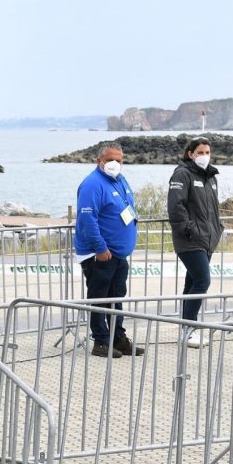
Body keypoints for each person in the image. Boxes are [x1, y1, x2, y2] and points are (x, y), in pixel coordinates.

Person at [73, 142, 144, 358]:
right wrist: (100, 247)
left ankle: (118, 337)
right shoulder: (92, 184)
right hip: (101, 254)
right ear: (99, 161)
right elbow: (87, 219)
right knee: (99, 297)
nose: (114, 163)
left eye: (119, 160)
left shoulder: (121, 180)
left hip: (118, 254)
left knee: (116, 297)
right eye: (110, 159)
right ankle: (101, 341)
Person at [167, 136, 223, 348]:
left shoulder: (211, 176)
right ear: (190, 154)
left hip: (207, 239)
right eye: (200, 152)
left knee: (192, 283)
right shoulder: (182, 174)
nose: (204, 156)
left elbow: (212, 209)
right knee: (202, 281)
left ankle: (186, 329)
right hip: (190, 239)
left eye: (207, 152)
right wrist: (191, 230)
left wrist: (217, 229)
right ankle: (189, 329)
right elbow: (176, 207)